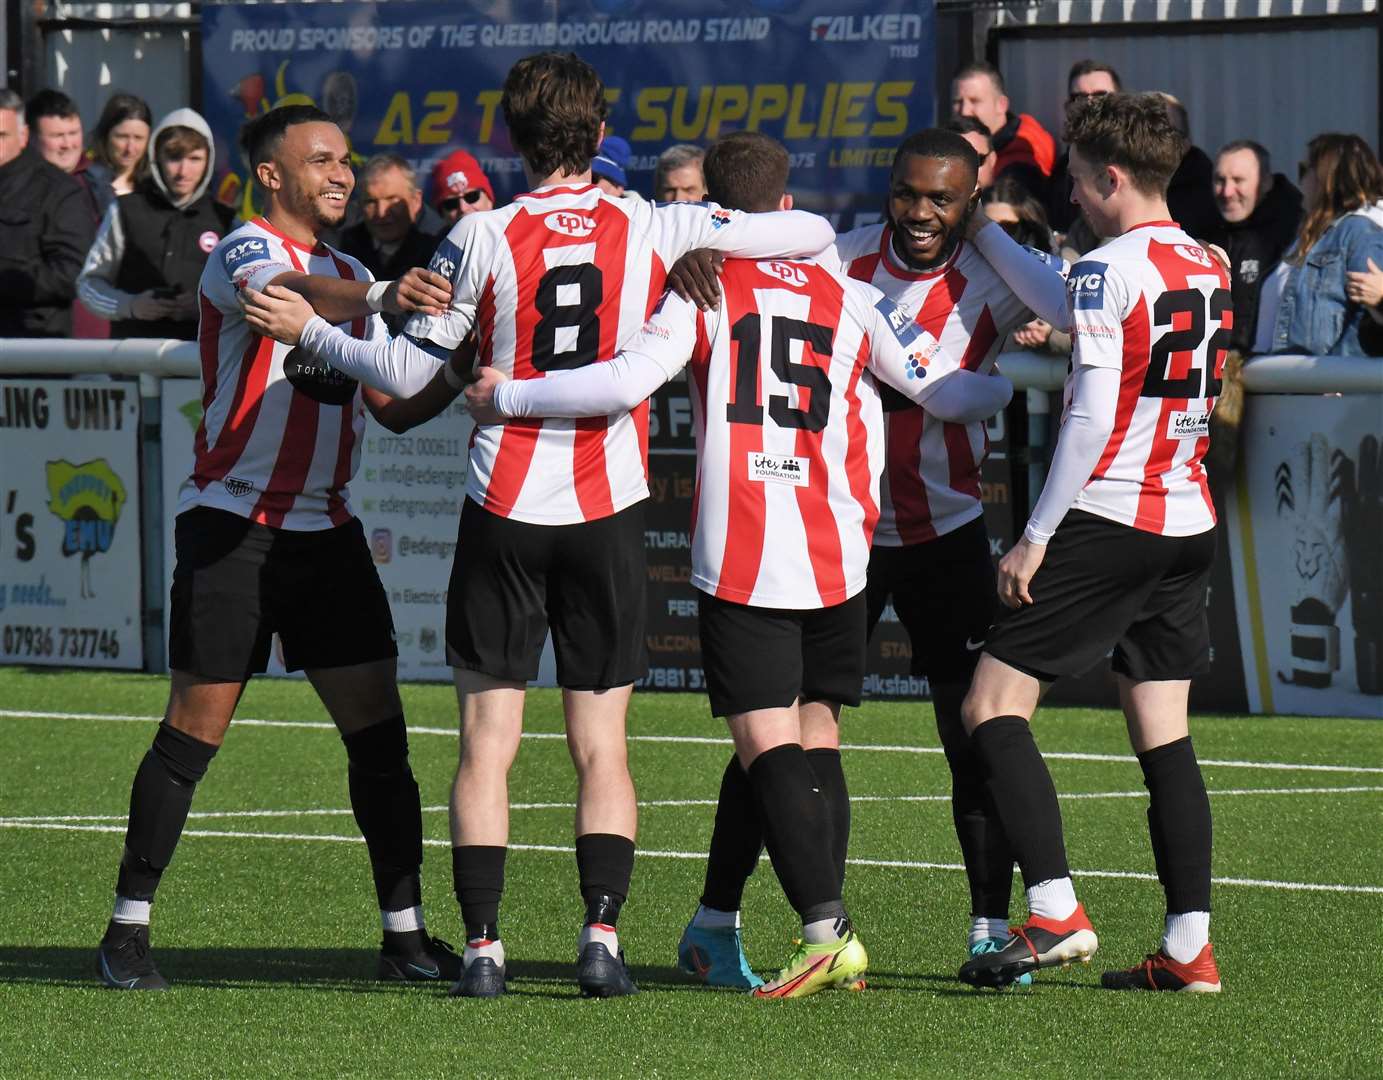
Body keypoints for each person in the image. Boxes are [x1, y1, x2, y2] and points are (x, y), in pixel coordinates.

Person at [237, 51, 838, 1001]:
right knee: (602, 743)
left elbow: (397, 375)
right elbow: (804, 231)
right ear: (600, 136)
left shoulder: (483, 233)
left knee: (487, 740)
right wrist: (712, 243)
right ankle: (600, 938)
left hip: (503, 507)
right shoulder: (650, 221)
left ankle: (482, 948)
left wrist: (307, 333)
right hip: (605, 508)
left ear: (512, 142)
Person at [464, 129, 1013, 998]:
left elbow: (616, 384)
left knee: (765, 742)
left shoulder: (701, 288)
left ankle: (825, 931)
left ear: (708, 211)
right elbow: (940, 390)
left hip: (747, 546)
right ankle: (722, 926)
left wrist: (508, 393)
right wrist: (1008, 387)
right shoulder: (847, 289)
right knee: (816, 733)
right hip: (839, 544)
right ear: (785, 209)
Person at [661, 129, 1060, 989]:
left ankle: (986, 930)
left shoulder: (992, 276)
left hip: (946, 530)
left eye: (943, 200)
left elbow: (1063, 315)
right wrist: (701, 247)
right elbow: (766, 236)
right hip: (843, 537)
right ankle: (732, 916)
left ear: (970, 199)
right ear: (887, 188)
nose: (921, 214)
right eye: (909, 194)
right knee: (788, 734)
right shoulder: (837, 263)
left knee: (971, 735)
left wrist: (987, 236)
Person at [93, 103, 459, 991]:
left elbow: (391, 407)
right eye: (322, 160)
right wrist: (381, 296)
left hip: (326, 532)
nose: (341, 174)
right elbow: (295, 300)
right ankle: (126, 931)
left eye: (347, 160)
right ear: (269, 174)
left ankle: (403, 934)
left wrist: (461, 371)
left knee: (381, 740)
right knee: (193, 734)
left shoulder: (349, 268)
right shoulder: (242, 250)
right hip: (235, 526)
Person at [953, 92, 1230, 994]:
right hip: (1186, 519)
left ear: (1112, 177)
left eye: (1076, 179)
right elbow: (1067, 295)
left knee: (991, 705)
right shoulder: (1211, 260)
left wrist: (1033, 536)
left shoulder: (1109, 269)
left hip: (1112, 513)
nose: (1069, 195)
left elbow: (1088, 413)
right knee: (1162, 733)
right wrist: (983, 235)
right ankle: (1188, 947)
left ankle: (1055, 908)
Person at [77, 108, 235, 340]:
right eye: (174, 158)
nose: (183, 171)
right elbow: (88, 284)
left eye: (194, 159)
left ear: (208, 160)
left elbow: (245, 295)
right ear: (155, 157)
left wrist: (205, 307)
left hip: (197, 360)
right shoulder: (124, 210)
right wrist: (130, 305)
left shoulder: (227, 220)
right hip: (132, 359)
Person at [1257, 133, 1383, 357]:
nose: (1300, 181)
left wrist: (1335, 377)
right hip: (1287, 383)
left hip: (1324, 385)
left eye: (1304, 170)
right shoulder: (1310, 235)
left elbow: (1368, 322)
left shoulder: (1359, 232)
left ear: (1326, 178)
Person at [0, 88, 96, 338]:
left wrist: (7, 279)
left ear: (23, 136)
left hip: (32, 349)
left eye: (1, 135)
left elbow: (73, 272)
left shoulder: (58, 192)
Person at [1210, 140, 1302, 353]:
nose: (1227, 191)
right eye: (1219, 180)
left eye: (1238, 180)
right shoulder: (1203, 229)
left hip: (1273, 373)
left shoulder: (1294, 235)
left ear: (1266, 182)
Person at [337, 154, 445, 332]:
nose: (381, 213)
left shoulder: (440, 246)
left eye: (392, 200)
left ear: (416, 200)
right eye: (371, 202)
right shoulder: (344, 245)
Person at [950, 61, 1056, 199]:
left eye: (975, 101)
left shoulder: (1022, 163)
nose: (964, 111)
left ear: (1001, 105)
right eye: (957, 102)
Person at [1047, 60, 1122, 232]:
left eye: (1100, 95)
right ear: (1067, 106)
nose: (1089, 104)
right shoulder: (1060, 170)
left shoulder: (1137, 159)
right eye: (1078, 97)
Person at [25, 88, 113, 222]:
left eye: (73, 133)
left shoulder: (101, 182)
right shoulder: (16, 188)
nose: (67, 144)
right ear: (31, 138)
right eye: (57, 135)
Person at [1157, 93, 1221, 242]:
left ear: (1186, 142)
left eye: (1166, 132)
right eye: (1148, 130)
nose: (1154, 140)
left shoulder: (1209, 192)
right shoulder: (1121, 180)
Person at [90, 92, 152, 197]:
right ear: (106, 135)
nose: (130, 148)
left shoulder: (153, 189)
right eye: (122, 137)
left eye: (138, 138)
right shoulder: (86, 184)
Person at [429, 147, 494, 224]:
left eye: (471, 197)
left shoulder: (510, 233)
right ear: (442, 214)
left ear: (489, 200)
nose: (463, 208)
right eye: (451, 203)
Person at [942, 116, 996, 192]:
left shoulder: (1012, 200)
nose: (969, 172)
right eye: (957, 162)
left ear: (993, 159)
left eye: (977, 160)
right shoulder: (927, 202)